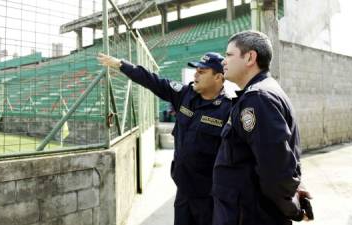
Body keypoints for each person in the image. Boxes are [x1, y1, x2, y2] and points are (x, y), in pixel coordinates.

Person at [98, 52, 231, 225]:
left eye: (202, 71)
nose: (195, 74)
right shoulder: (185, 95)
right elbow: (152, 80)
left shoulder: (229, 109)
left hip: (210, 199)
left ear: (218, 77)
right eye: (196, 70)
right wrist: (121, 65)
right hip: (183, 192)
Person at [212, 30, 313, 225]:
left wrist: (294, 209)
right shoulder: (265, 92)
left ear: (250, 57)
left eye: (229, 55)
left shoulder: (257, 99)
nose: (224, 61)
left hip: (252, 215)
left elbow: (275, 169)